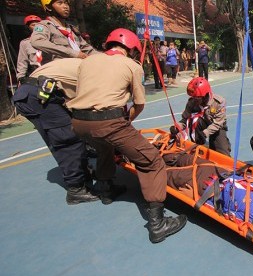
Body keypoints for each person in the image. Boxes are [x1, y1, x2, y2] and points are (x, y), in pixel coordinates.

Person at [67, 28, 187, 243]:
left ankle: (106, 190)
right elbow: (139, 104)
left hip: (78, 123)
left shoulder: (87, 61)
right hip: (109, 121)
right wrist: (125, 123)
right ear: (131, 49)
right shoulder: (132, 65)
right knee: (152, 161)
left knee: (104, 146)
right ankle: (158, 224)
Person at [12, 58, 100, 205]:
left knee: (67, 134)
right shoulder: (96, 72)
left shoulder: (88, 64)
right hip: (40, 96)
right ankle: (76, 190)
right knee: (68, 139)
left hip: (34, 93)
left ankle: (83, 174)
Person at [170, 77, 231, 156]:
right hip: (200, 126)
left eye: (197, 97)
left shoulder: (218, 102)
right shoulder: (192, 102)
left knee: (223, 154)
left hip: (216, 127)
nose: (194, 99)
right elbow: (185, 120)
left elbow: (218, 123)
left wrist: (205, 133)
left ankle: (214, 144)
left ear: (205, 95)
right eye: (193, 97)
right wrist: (177, 127)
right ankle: (196, 144)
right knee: (195, 120)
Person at [31, 0, 96, 65]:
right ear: (48, 7)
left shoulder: (72, 29)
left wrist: (103, 56)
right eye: (60, 3)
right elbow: (37, 41)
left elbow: (87, 49)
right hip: (56, 70)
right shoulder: (44, 26)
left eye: (66, 3)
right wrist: (72, 53)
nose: (65, 6)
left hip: (78, 66)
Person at [16, 15, 43, 83]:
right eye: (33, 25)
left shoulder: (49, 40)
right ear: (28, 27)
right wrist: (20, 77)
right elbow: (22, 61)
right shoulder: (25, 43)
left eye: (38, 25)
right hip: (35, 73)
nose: (36, 27)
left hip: (50, 70)